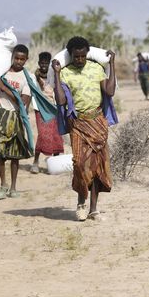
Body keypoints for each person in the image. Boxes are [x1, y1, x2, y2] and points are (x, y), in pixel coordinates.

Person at [0, 44, 52, 199]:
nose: (19, 61)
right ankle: (3, 185)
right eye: (16, 58)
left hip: (15, 116)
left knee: (15, 154)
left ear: (27, 59)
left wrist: (4, 87)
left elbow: (23, 102)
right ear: (12, 57)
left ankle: (13, 187)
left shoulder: (27, 78)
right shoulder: (0, 71)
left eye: (22, 59)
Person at [52, 36, 116, 221]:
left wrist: (112, 65)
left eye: (82, 56)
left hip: (98, 122)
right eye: (76, 56)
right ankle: (81, 201)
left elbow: (110, 91)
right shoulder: (66, 73)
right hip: (78, 124)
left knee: (97, 166)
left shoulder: (96, 69)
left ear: (87, 54)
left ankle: (93, 209)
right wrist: (56, 74)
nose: (79, 60)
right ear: (71, 55)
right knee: (80, 164)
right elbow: (61, 100)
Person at [30, 51, 64, 174]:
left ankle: (55, 164)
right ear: (39, 63)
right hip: (41, 109)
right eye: (42, 63)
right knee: (43, 134)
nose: (44, 65)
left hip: (54, 108)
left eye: (46, 63)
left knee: (56, 134)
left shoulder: (53, 75)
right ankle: (35, 162)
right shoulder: (34, 77)